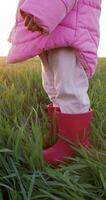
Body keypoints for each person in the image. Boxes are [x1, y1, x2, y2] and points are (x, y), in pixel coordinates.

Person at [8, 0, 102, 166]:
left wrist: (41, 9)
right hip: (57, 25)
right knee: (53, 85)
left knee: (68, 87)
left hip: (69, 25)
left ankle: (74, 147)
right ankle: (61, 135)